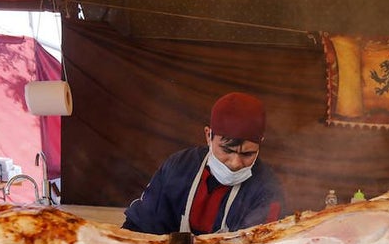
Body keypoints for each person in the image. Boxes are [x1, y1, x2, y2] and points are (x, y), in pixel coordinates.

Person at [122, 92, 286, 235]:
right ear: (209, 136)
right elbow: (139, 227)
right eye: (227, 151)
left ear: (260, 143)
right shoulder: (179, 167)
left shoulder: (267, 189)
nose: (235, 163)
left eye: (247, 154)